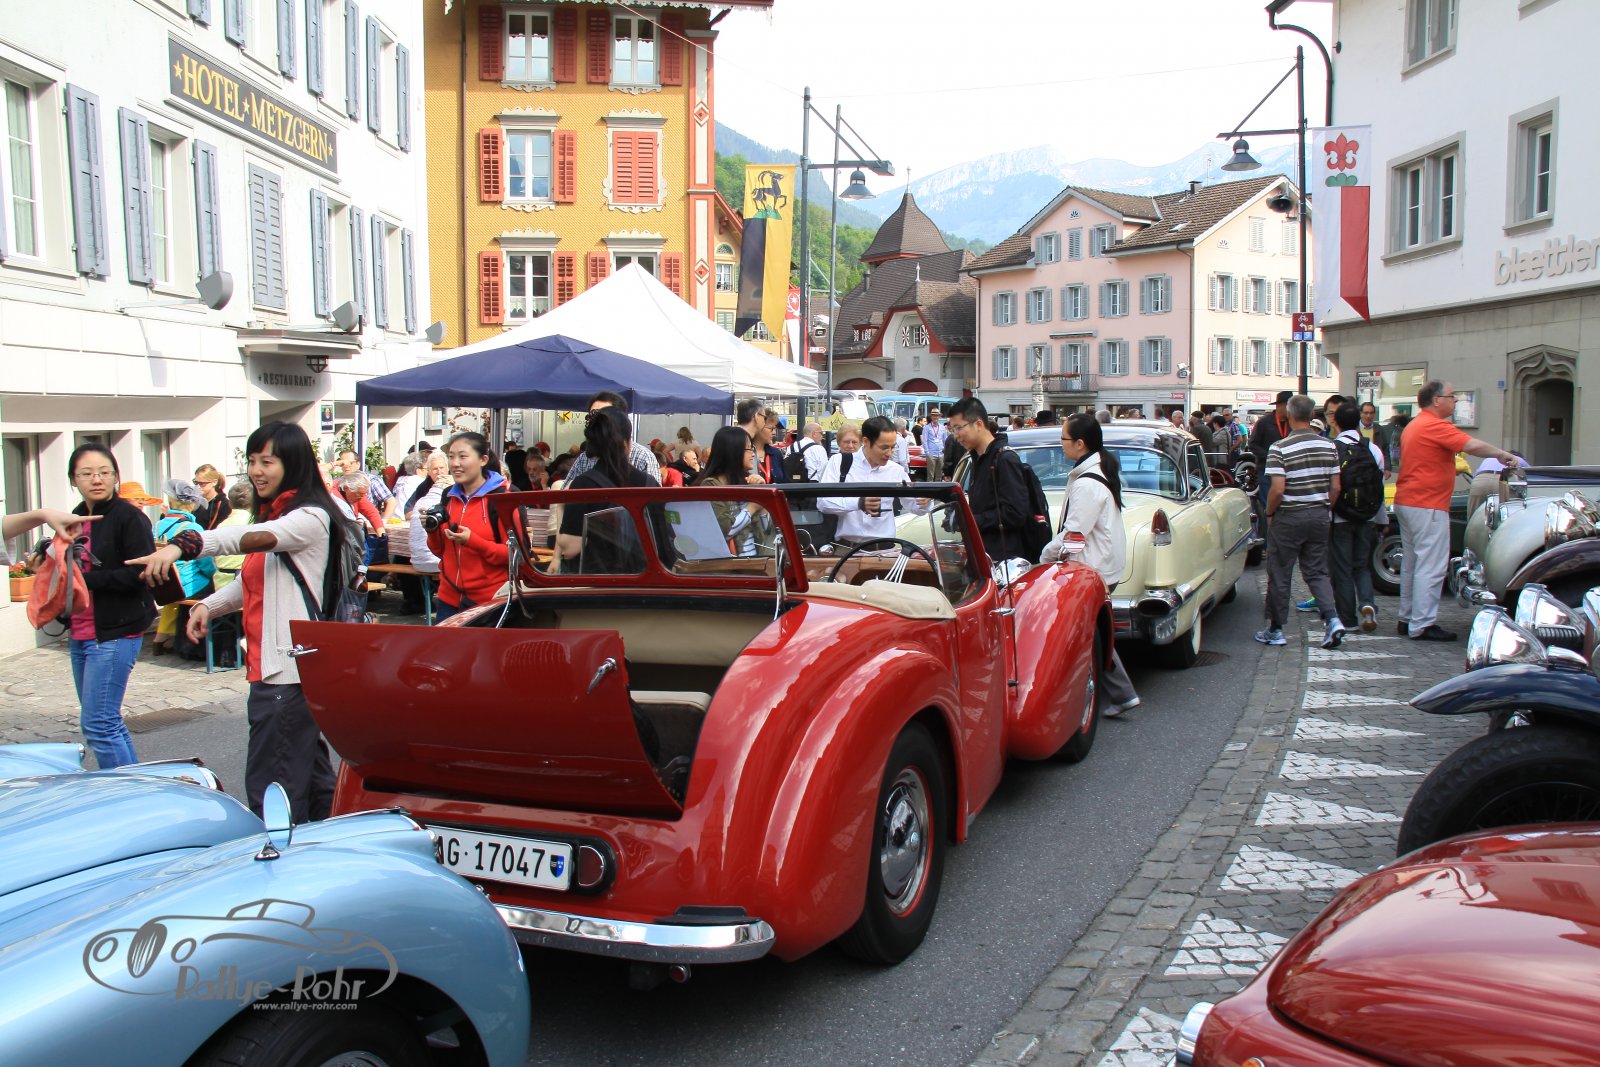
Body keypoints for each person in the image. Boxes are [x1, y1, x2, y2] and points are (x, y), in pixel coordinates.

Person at [129, 421, 354, 822]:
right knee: (310, 780)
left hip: (288, 673)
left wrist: (184, 544)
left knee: (273, 787)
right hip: (281, 670)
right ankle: (327, 846)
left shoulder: (309, 517)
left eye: (267, 461)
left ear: (294, 464)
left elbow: (248, 538)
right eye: (252, 461)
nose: (256, 471)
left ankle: (279, 856)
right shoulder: (281, 514)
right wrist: (208, 606)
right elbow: (254, 577)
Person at [52, 445, 155, 769]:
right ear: (73, 479)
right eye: (86, 473)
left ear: (115, 476)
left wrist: (85, 580)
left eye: (104, 472)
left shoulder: (129, 517)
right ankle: (136, 785)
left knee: (99, 724)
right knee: (106, 721)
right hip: (82, 631)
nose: (96, 479)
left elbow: (140, 573)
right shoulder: (74, 516)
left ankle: (124, 792)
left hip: (115, 632)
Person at [1395, 380, 1521, 641]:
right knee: (1431, 565)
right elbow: (1470, 445)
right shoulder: (1434, 425)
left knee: (1412, 563)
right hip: (1427, 503)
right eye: (1451, 396)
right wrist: (1502, 455)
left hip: (1409, 500)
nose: (1455, 401)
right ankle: (1422, 624)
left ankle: (1407, 618)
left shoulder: (1415, 425)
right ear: (1436, 400)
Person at [1042, 413, 1139, 716]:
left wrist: (1045, 556)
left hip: (1093, 567)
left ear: (1080, 444)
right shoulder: (1097, 469)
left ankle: (1112, 695)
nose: (1061, 444)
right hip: (1102, 564)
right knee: (1091, 632)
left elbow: (1075, 534)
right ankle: (1122, 694)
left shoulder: (1087, 482)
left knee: (1086, 634)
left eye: (1064, 439)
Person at [1257, 395, 1346, 650]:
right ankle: (1332, 618)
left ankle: (1276, 629)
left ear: (1290, 414)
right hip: (1319, 514)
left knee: (1280, 571)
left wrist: (1270, 513)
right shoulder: (1329, 446)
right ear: (1312, 415)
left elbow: (1277, 489)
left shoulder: (1279, 447)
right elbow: (1336, 487)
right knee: (1317, 571)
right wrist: (1324, 506)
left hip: (1289, 516)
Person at [558, 407, 664, 570]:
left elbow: (571, 548)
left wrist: (560, 511)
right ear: (626, 443)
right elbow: (663, 538)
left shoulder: (583, 484)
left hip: (598, 580)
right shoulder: (650, 484)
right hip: (643, 577)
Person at [424, 432, 510, 621]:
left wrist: (473, 541)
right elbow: (440, 551)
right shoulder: (448, 496)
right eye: (451, 457)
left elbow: (515, 556)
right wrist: (431, 531)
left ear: (483, 460)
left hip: (489, 600)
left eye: (463, 457)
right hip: (448, 598)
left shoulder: (502, 499)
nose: (455, 463)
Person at [947, 398, 1031, 564]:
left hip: (1003, 561)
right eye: (952, 429)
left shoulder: (1004, 459)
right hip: (984, 556)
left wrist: (970, 520)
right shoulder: (977, 458)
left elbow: (1015, 513)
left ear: (978, 424)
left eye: (958, 428)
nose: (956, 435)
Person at [818, 416, 925, 544]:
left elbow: (915, 507)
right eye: (884, 448)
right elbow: (823, 503)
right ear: (866, 441)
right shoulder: (839, 462)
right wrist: (858, 503)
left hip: (884, 549)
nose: (889, 453)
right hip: (846, 548)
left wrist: (924, 500)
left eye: (893, 447)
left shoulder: (896, 470)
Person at [1329, 404, 1387, 635]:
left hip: (1340, 517)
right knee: (1361, 566)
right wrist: (1381, 519)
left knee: (1342, 569)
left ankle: (1348, 619)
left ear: (1336, 422)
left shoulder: (1333, 449)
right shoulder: (1372, 449)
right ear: (1358, 421)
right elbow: (1379, 488)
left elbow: (1331, 487)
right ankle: (1367, 603)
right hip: (1366, 516)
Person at [150, 479, 217, 655]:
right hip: (187, 585)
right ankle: (197, 645)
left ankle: (165, 638)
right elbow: (205, 563)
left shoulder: (156, 526)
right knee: (210, 587)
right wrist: (212, 573)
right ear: (192, 505)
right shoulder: (193, 527)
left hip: (165, 583)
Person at [691, 425, 767, 555]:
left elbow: (767, 530)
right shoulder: (711, 485)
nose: (753, 454)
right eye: (749, 449)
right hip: (731, 564)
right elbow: (723, 531)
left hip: (756, 561)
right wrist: (752, 508)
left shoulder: (748, 482)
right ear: (733, 452)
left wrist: (763, 498)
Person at [567, 391, 661, 483]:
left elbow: (655, 492)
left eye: (604, 416)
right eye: (592, 416)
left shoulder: (643, 457)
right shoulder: (583, 459)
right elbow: (565, 490)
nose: (597, 422)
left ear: (621, 418)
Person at [407, 449, 450, 580]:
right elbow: (407, 510)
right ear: (429, 471)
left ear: (447, 468)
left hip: (421, 558)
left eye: (442, 468)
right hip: (435, 557)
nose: (439, 472)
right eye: (435, 469)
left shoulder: (424, 496)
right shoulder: (423, 488)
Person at [335, 471, 387, 566]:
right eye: (358, 494)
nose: (361, 497)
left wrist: (381, 536)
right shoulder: (334, 494)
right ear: (346, 488)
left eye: (364, 494)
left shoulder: (356, 492)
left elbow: (372, 512)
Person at [210, 480, 253, 590]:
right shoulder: (254, 524)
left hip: (221, 583)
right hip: (246, 582)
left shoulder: (221, 526)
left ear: (229, 503)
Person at [192, 464, 231, 530]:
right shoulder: (194, 502)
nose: (198, 487)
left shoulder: (224, 505)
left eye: (202, 483)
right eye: (196, 483)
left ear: (214, 482)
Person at [921, 410, 948, 481]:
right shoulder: (927, 427)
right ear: (931, 417)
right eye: (933, 415)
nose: (935, 417)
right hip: (931, 454)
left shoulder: (942, 428)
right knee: (930, 475)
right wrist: (927, 453)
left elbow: (945, 440)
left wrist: (944, 451)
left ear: (939, 417)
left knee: (939, 475)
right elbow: (925, 441)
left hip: (941, 453)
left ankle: (937, 488)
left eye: (937, 415)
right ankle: (929, 488)